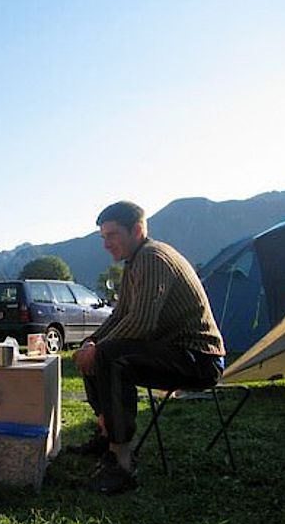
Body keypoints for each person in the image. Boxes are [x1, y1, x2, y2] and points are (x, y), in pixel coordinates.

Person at [71, 201, 225, 494]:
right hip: (173, 352)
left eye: (112, 235)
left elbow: (142, 323)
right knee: (96, 350)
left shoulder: (153, 258)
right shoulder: (134, 262)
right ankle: (106, 434)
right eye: (103, 237)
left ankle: (122, 463)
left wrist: (98, 349)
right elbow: (120, 316)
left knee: (110, 356)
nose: (106, 244)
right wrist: (89, 344)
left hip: (199, 359)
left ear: (137, 229)